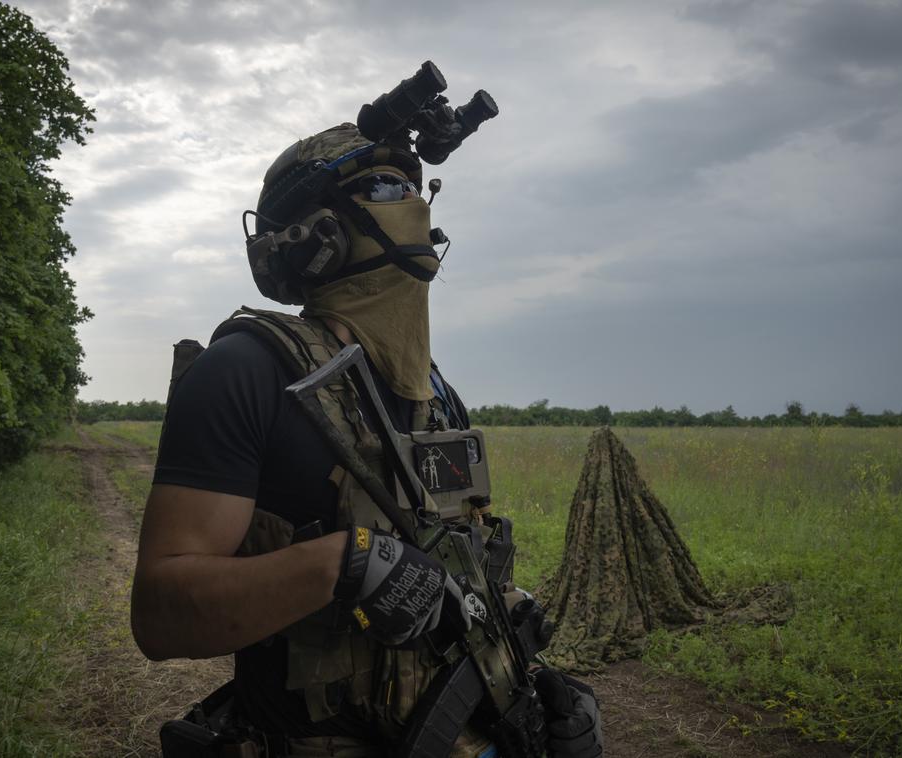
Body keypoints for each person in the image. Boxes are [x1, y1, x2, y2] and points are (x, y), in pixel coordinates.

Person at [131, 116, 602, 757]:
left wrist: (539, 690)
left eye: (417, 188)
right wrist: (342, 564)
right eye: (384, 189)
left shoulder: (435, 395)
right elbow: (160, 616)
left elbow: (459, 569)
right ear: (317, 236)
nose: (412, 204)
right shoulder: (245, 371)